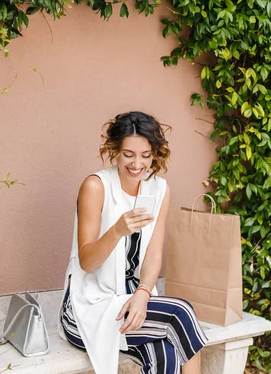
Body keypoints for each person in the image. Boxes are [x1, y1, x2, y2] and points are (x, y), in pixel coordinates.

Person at [59, 111, 208, 374]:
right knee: (180, 313)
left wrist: (143, 293)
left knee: (166, 355)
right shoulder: (96, 187)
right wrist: (117, 230)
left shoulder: (159, 189)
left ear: (155, 154)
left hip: (134, 300)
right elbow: (87, 261)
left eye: (145, 155)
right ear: (114, 150)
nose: (137, 164)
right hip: (89, 309)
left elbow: (153, 254)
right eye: (128, 154)